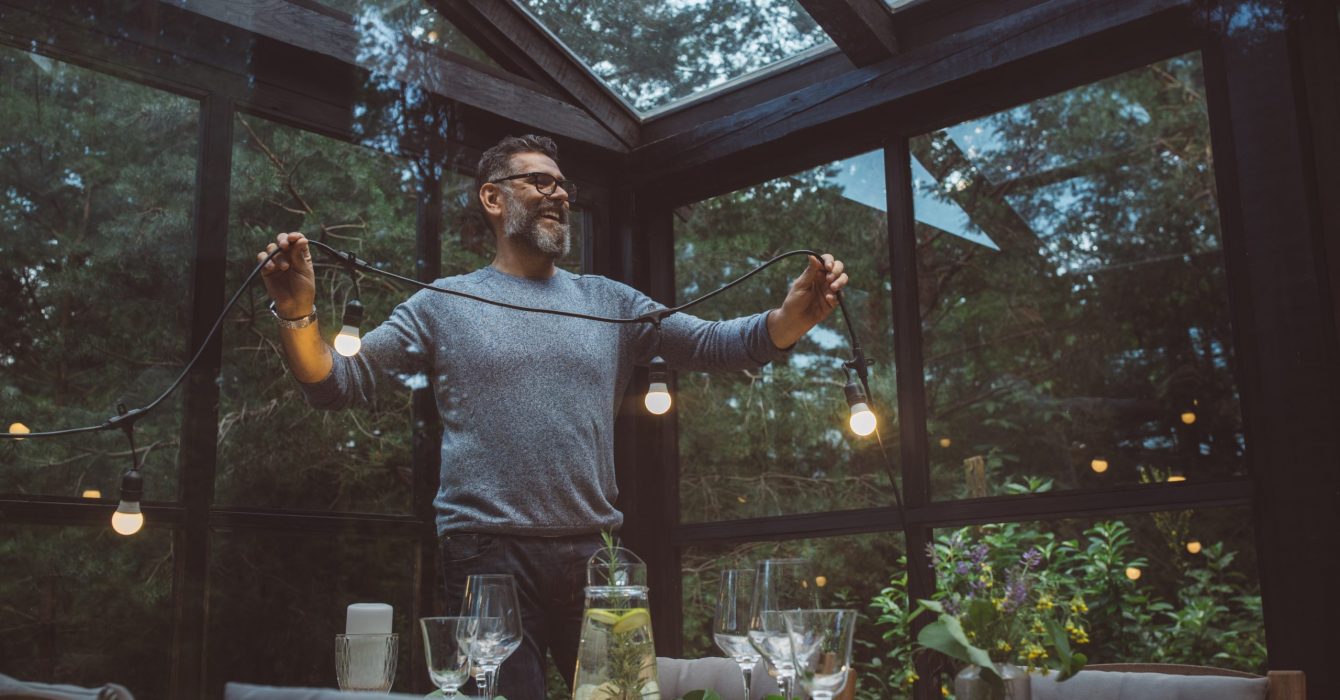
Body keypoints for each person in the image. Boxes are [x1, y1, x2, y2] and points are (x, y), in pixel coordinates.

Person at [257, 134, 849, 698]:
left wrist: (792, 318)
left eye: (564, 186)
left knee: (623, 699)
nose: (560, 194)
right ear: (493, 197)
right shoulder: (443, 303)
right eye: (539, 182)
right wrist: (297, 315)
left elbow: (716, 343)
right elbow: (337, 382)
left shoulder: (610, 302)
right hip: (485, 554)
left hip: (597, 554)